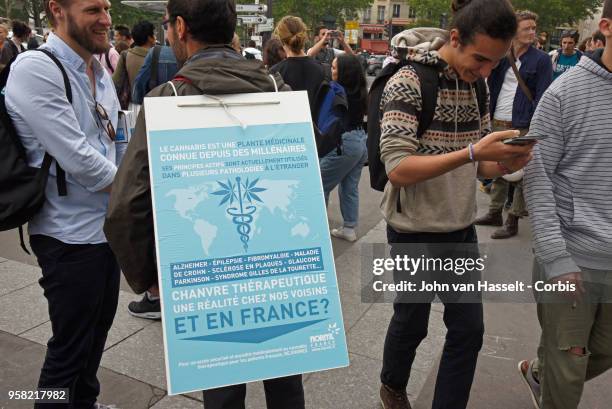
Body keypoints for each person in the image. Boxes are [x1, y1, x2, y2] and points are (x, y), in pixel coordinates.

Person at [104, 3, 301, 409]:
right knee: (285, 374)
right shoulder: (281, 92)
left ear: (179, 27)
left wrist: (151, 280)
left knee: (223, 381)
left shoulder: (168, 99)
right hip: (278, 266)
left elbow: (126, 206)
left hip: (206, 271)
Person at [376, 0, 535, 408]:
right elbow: (397, 167)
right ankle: (391, 387)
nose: (484, 72)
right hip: (412, 230)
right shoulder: (408, 81)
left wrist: (505, 164)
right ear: (454, 38)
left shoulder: (477, 85)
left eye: (494, 65)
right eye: (479, 59)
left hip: (459, 228)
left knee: (468, 331)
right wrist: (471, 153)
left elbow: (477, 168)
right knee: (411, 324)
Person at [5, 1, 124, 408]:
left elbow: (113, 141)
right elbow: (78, 160)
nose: (106, 19)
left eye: (107, 8)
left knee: (95, 337)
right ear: (57, 10)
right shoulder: (36, 68)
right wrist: (144, 190)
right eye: (93, 9)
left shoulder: (98, 68)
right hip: (66, 236)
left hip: (105, 228)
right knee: (68, 349)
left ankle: (85, 403)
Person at [519, 2, 612, 408]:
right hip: (574, 255)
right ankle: (553, 376)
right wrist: (556, 257)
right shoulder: (565, 92)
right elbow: (537, 177)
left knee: (603, 351)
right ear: (606, 27)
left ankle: (542, 372)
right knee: (569, 370)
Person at [475, 10, 553, 239]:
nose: (532, 32)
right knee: (499, 167)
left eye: (533, 28)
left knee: (522, 172)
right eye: (527, 28)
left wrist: (537, 127)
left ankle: (513, 219)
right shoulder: (501, 55)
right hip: (497, 119)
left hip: (523, 123)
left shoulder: (541, 59)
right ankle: (494, 212)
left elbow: (543, 95)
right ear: (513, 31)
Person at [319, 54, 368, 242]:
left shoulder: (337, 91)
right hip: (360, 141)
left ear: (344, 72)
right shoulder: (360, 91)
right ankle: (349, 228)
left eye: (334, 68)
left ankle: (318, 228)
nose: (331, 71)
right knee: (349, 187)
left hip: (345, 143)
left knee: (320, 184)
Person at [270, 16, 326, 117]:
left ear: (281, 40)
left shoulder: (275, 73)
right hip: (316, 130)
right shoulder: (321, 69)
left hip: (287, 130)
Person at [113, 20, 156, 108]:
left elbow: (116, 82)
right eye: (154, 34)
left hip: (133, 106)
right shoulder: (158, 56)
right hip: (155, 105)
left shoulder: (126, 55)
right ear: (150, 38)